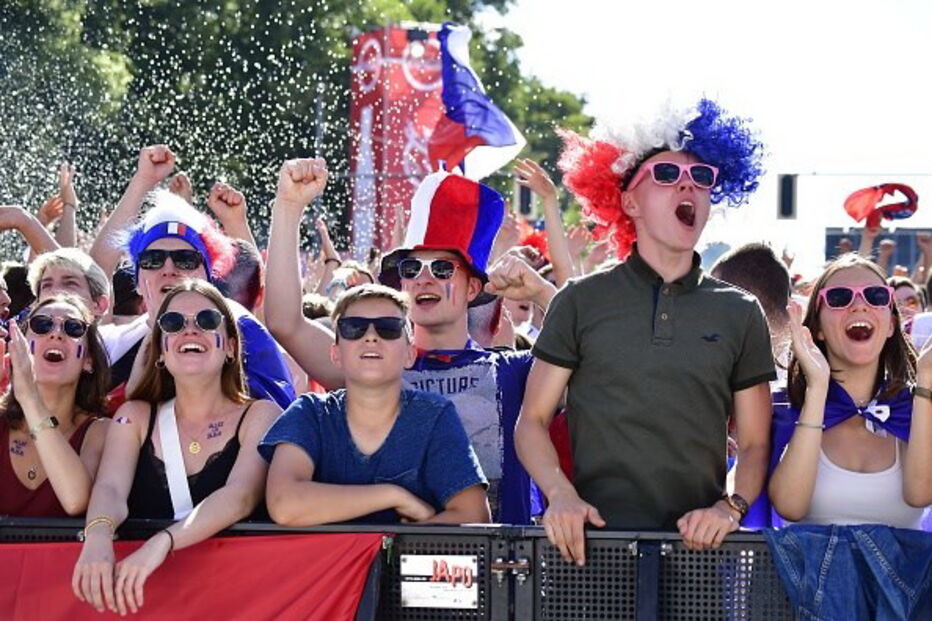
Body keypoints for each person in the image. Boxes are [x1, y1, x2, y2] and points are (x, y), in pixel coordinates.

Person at [515, 98, 774, 562]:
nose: (687, 188)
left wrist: (728, 507)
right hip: (589, 551)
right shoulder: (580, 299)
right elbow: (531, 421)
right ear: (629, 202)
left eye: (701, 179)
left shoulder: (741, 312)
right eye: (667, 176)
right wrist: (559, 494)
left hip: (698, 557)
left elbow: (755, 443)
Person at [265, 159, 556, 523]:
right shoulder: (373, 363)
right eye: (411, 269)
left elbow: (591, 354)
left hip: (489, 570)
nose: (424, 279)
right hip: (387, 570)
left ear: (474, 288)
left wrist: (544, 292)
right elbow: (285, 322)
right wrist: (289, 207)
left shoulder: (512, 371)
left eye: (442, 268)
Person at [72, 280, 281, 615]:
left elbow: (240, 496)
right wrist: (97, 535)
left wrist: (161, 543)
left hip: (238, 604)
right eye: (173, 323)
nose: (190, 331)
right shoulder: (134, 417)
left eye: (206, 321)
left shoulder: (263, 415)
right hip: (148, 604)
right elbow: (110, 487)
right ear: (161, 349)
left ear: (229, 346)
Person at [261, 284, 489, 525]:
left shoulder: (434, 415)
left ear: (410, 354)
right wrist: (393, 496)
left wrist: (391, 549)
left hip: (404, 564)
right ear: (335, 353)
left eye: (388, 328)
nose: (371, 336)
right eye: (354, 328)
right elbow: (284, 505)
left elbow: (473, 515)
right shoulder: (309, 413)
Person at [90, 155, 296, 410]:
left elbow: (278, 422)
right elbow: (93, 274)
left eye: (185, 260)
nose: (168, 269)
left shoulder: (240, 329)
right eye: (152, 260)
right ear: (138, 281)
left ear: (207, 277)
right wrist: (142, 181)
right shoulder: (115, 343)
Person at [769, 254, 931, 528]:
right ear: (818, 328)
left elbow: (921, 494)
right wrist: (818, 387)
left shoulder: (913, 409)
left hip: (903, 572)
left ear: (891, 324)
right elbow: (790, 506)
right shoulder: (785, 409)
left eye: (877, 296)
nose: (859, 305)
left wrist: (926, 380)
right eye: (840, 297)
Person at [0, 295, 110, 516]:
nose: (56, 333)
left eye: (73, 328)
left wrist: (30, 399)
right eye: (42, 325)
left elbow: (75, 501)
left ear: (88, 359)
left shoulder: (100, 431)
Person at [27, 247, 112, 318]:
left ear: (99, 305)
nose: (56, 291)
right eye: (47, 285)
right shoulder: (19, 337)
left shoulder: (113, 337)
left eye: (70, 283)